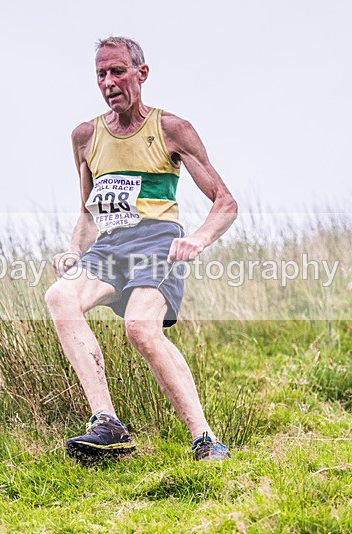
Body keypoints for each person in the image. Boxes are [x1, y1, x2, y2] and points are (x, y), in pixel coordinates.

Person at [44, 36, 237, 462]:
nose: (109, 82)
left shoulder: (171, 128)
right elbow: (89, 212)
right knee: (59, 295)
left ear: (141, 74)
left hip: (157, 243)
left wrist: (198, 238)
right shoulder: (84, 137)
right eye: (101, 74)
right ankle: (106, 423)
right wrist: (73, 251)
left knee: (140, 329)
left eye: (117, 71)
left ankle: (205, 439)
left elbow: (225, 203)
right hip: (110, 248)